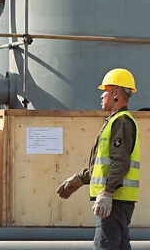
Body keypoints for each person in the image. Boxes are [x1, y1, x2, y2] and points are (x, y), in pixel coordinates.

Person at [56, 68, 140, 250]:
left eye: (105, 91)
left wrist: (108, 193)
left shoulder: (121, 122)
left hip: (115, 201)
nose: (101, 96)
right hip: (118, 202)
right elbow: (105, 165)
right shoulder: (116, 121)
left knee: (105, 246)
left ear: (116, 93)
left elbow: (120, 163)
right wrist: (81, 179)